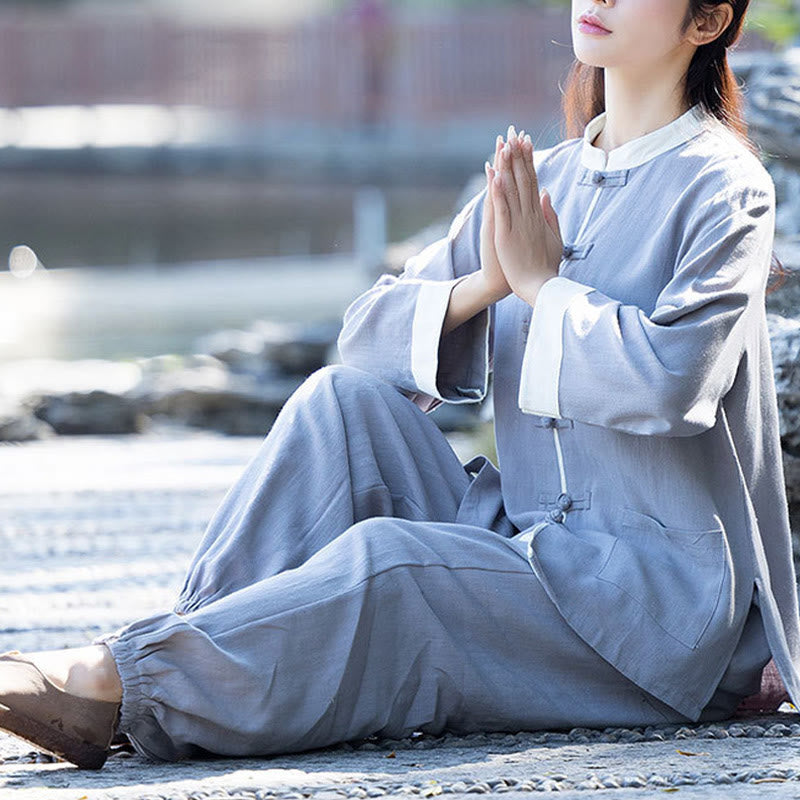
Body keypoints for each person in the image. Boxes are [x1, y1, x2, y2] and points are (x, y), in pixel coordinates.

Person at [2, 0, 799, 772]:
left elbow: (675, 384)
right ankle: (152, 672)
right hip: (530, 557)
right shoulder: (545, 175)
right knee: (339, 406)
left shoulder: (724, 186)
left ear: (707, 20)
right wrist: (485, 284)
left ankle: (123, 684)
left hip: (656, 615)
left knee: (397, 565)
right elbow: (364, 341)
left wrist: (542, 289)